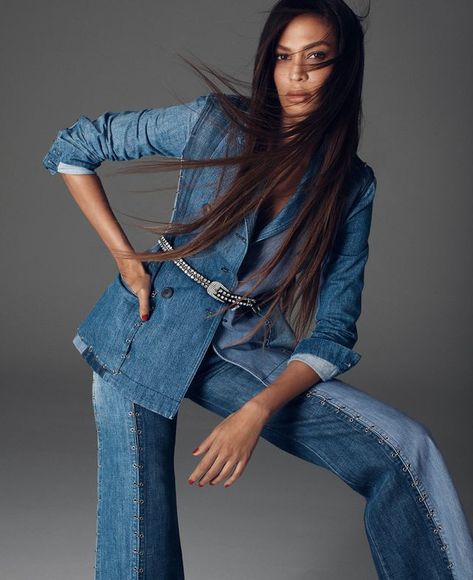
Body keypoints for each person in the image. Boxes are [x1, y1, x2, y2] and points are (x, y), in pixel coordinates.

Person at [42, 1, 473, 578]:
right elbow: (76, 146)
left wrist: (255, 411)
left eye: (316, 59)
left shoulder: (351, 184)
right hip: (144, 333)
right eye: (283, 57)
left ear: (343, 68)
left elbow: (334, 329)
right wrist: (128, 261)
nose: (295, 76)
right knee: (139, 549)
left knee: (404, 449)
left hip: (240, 348)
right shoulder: (214, 123)